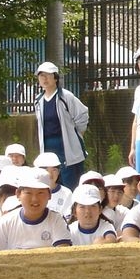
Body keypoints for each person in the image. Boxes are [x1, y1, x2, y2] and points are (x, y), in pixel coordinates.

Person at [33, 61, 89, 191]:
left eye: (48, 75)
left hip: (66, 146)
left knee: (70, 182)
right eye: (41, 76)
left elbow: (82, 115)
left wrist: (77, 135)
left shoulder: (66, 96)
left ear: (56, 78)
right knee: (50, 180)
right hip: (47, 145)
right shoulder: (38, 100)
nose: (44, 79)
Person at [0, 168, 71, 251]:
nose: (34, 199)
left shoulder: (57, 220)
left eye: (40, 193)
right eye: (28, 193)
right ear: (18, 194)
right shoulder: (6, 222)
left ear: (49, 195)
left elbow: (62, 254)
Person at [33, 152, 72, 216]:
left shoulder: (66, 193)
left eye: (54, 170)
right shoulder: (30, 192)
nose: (50, 175)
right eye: (46, 170)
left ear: (59, 172)